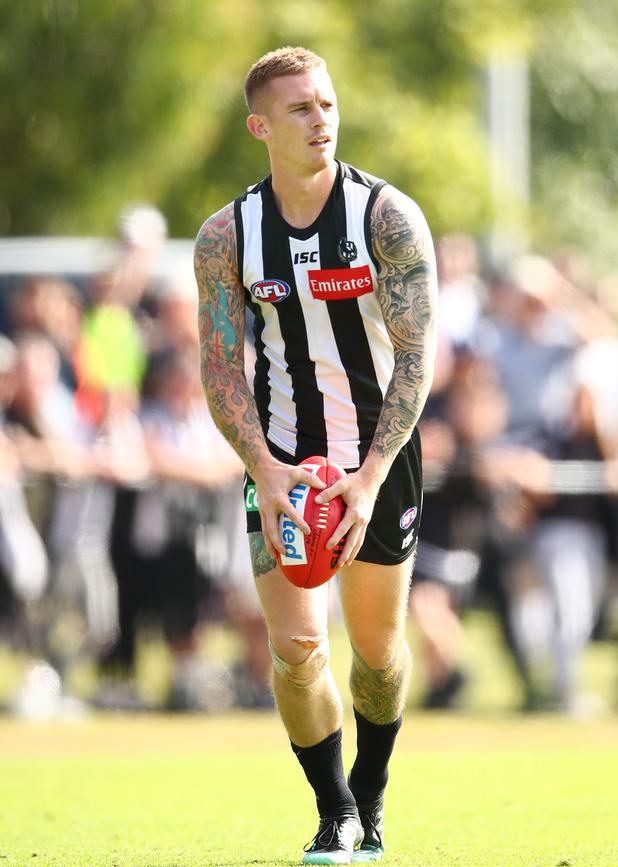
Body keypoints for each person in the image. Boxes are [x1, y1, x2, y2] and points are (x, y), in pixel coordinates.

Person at [194, 47, 437, 865]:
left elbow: (416, 357)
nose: (320, 119)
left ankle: (371, 796)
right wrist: (263, 470)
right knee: (297, 651)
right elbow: (222, 364)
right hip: (282, 465)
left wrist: (368, 478)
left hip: (380, 458)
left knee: (377, 652)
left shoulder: (387, 218)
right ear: (261, 125)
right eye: (299, 108)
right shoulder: (228, 235)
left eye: (328, 103)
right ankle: (334, 812)